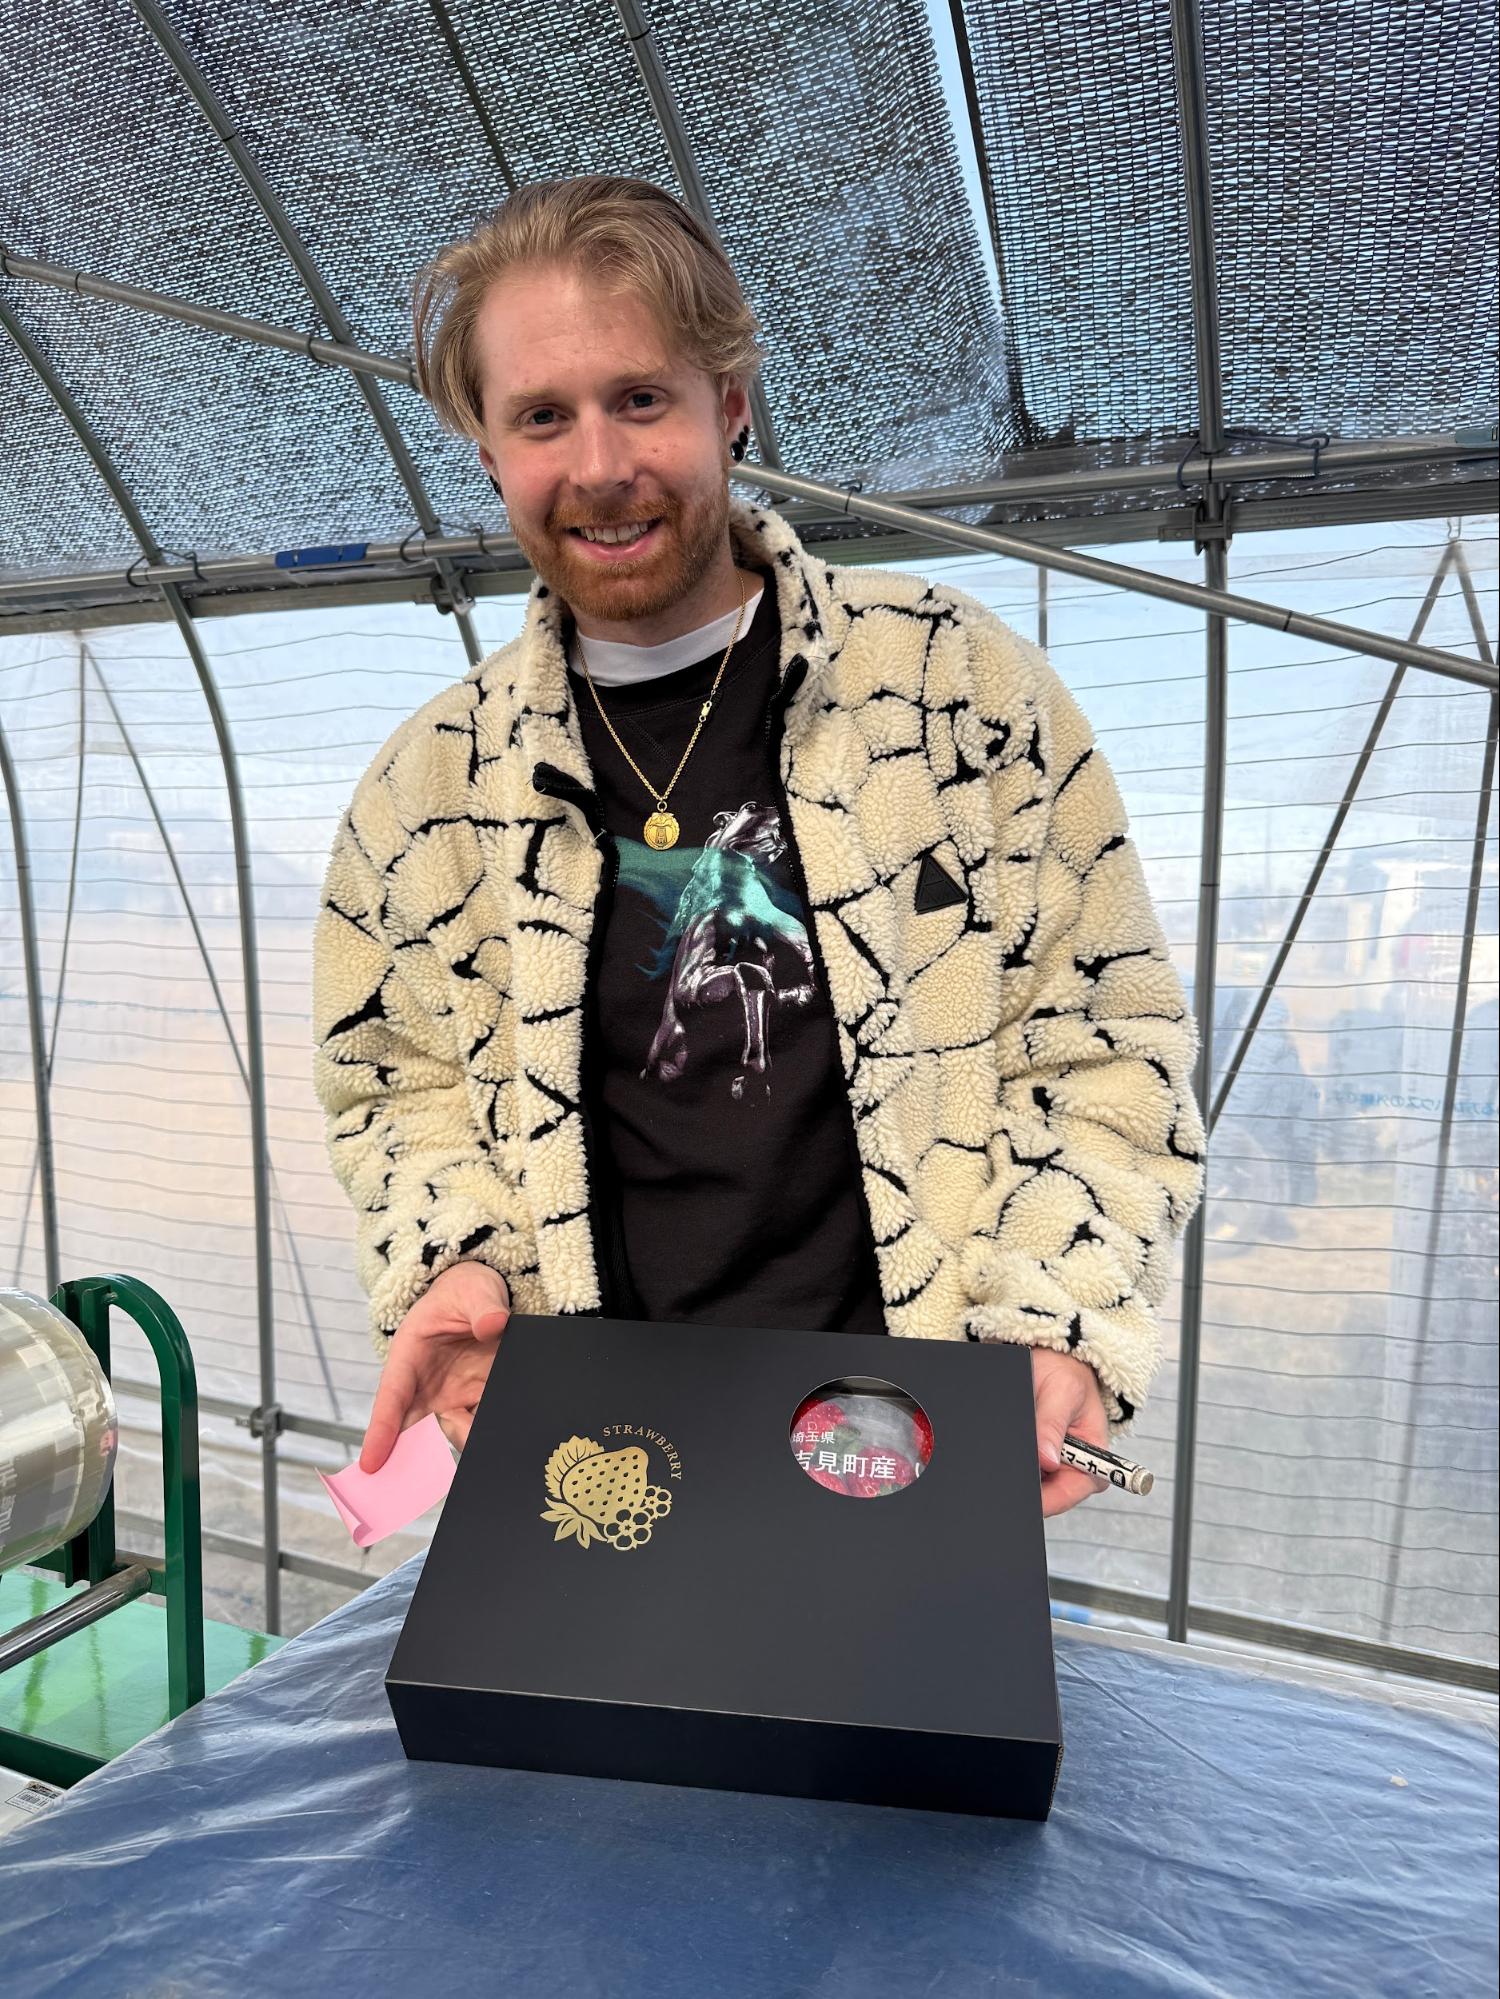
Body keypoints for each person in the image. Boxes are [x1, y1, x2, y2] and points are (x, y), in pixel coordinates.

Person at [311, 175, 1204, 1520]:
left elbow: (1106, 1046)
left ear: (729, 403)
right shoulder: (428, 790)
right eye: (542, 417)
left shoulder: (952, 692)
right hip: (601, 1464)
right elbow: (394, 1083)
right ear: (487, 451)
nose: (599, 466)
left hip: (907, 1449)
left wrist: (1054, 1320)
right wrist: (460, 1258)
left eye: (641, 398)